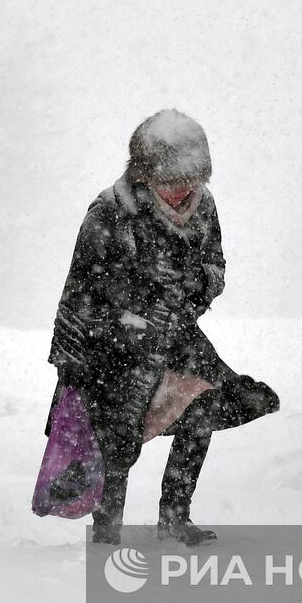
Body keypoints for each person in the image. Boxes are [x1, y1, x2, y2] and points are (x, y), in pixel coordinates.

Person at [47, 109, 280, 546]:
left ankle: (175, 517)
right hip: (112, 347)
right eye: (170, 182)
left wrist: (197, 286)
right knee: (117, 442)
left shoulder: (203, 206)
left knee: (205, 406)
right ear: (144, 173)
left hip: (175, 337)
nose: (181, 192)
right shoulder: (109, 212)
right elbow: (78, 294)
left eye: (189, 181)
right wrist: (94, 348)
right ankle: (106, 536)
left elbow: (216, 267)